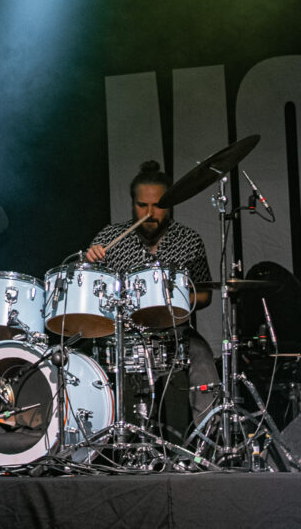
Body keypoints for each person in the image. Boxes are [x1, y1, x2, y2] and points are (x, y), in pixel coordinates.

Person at [85, 161, 218, 438]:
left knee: (203, 360)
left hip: (176, 333)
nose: (149, 214)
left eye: (157, 206)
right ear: (132, 204)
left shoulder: (188, 240)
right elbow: (91, 293)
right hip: (126, 336)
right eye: (142, 206)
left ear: (170, 204)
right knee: (91, 364)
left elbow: (205, 294)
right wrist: (91, 262)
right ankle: (106, 446)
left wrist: (171, 299)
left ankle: (209, 443)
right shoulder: (110, 238)